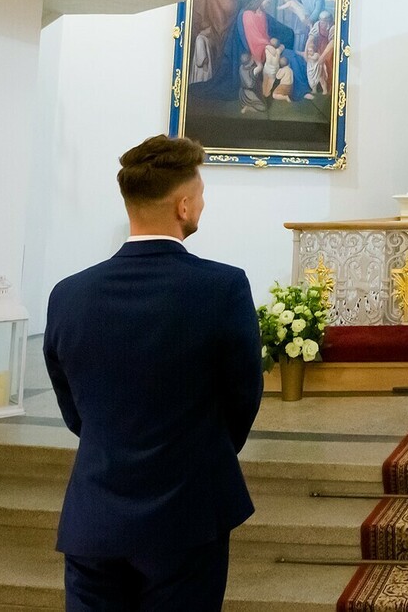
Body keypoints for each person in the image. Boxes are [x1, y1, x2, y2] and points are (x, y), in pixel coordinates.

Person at [43, 135, 262, 612]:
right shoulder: (222, 288)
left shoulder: (68, 294)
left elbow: (73, 406)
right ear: (183, 206)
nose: (202, 204)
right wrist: (199, 449)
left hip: (94, 516)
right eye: (200, 195)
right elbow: (243, 396)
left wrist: (117, 438)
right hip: (188, 513)